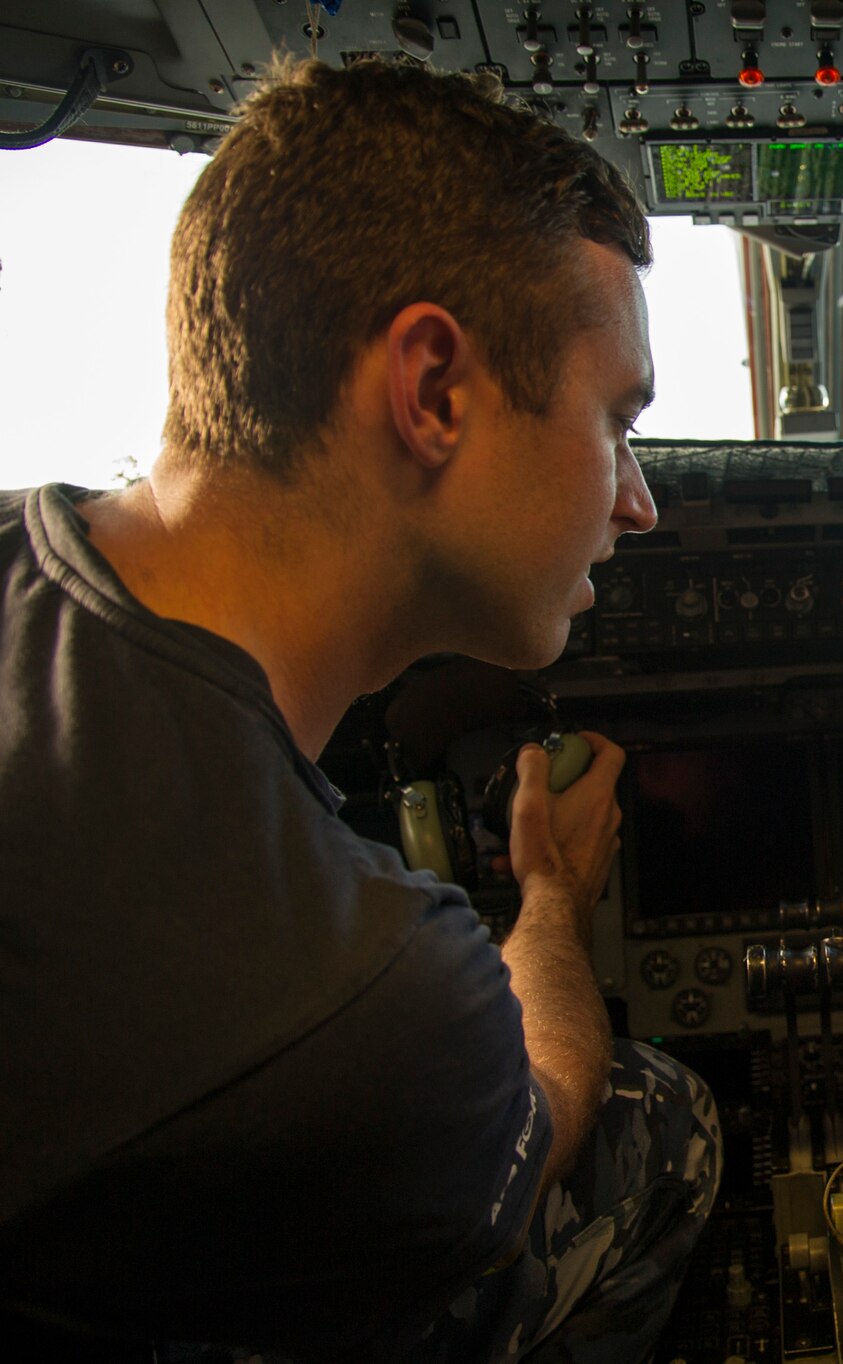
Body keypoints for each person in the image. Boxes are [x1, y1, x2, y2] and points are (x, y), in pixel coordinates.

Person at [0, 57, 718, 1360]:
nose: (638, 501)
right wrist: (551, 905)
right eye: (618, 422)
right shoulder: (353, 988)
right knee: (654, 1116)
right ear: (436, 389)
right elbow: (546, 1103)